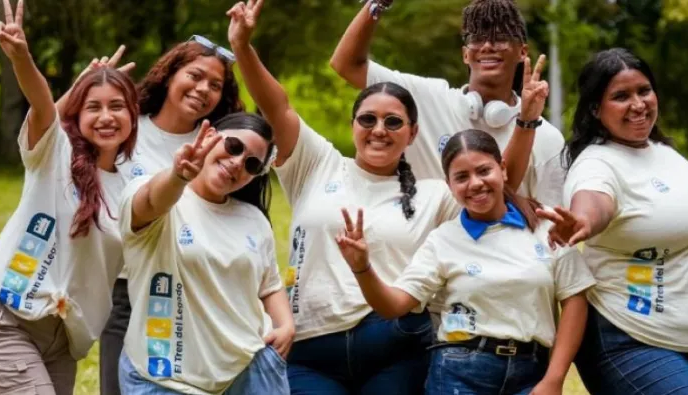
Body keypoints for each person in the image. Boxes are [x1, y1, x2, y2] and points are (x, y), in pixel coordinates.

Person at [225, 2, 548, 392]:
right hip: (312, 344)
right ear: (353, 124)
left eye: (393, 122)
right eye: (368, 119)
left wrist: (526, 120)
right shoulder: (316, 162)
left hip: (396, 343)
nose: (379, 129)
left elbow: (500, 182)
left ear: (412, 135)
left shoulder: (436, 196)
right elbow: (277, 104)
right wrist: (242, 46)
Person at [0, 1, 139, 393]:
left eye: (117, 106)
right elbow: (42, 103)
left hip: (62, 341)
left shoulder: (132, 187)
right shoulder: (55, 154)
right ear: (77, 114)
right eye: (93, 107)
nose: (106, 116)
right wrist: (22, 57)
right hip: (4, 325)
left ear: (133, 116)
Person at [335, 129, 594, 395]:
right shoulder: (442, 240)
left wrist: (554, 378)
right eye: (461, 177)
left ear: (503, 169)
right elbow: (393, 306)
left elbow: (574, 298)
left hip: (531, 372)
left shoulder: (545, 227)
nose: (475, 183)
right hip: (459, 374)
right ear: (449, 185)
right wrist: (362, 268)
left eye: (484, 171)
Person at [543, 48, 688, 395]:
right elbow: (595, 201)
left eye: (644, 90)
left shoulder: (663, 153)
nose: (638, 104)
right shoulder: (597, 163)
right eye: (620, 96)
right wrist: (583, 220)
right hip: (630, 336)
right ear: (596, 109)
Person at [97, 30, 246, 394]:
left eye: (215, 84)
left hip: (188, 294)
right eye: (195, 76)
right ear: (170, 75)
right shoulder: (123, 129)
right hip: (124, 293)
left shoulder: (218, 147)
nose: (203, 89)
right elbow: (64, 194)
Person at [117, 113, 292, 394]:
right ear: (210, 137)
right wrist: (178, 175)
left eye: (251, 163)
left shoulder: (254, 219)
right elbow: (149, 202)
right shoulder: (163, 198)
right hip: (165, 379)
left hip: (250, 371)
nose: (237, 162)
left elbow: (269, 284)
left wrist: (286, 326)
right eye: (234, 146)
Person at [330, 0, 566, 208]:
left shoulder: (546, 137)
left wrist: (526, 121)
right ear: (465, 54)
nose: (487, 46)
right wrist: (378, 3)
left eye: (500, 38)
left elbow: (549, 222)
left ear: (522, 52)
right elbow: (346, 65)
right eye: (478, 37)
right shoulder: (425, 97)